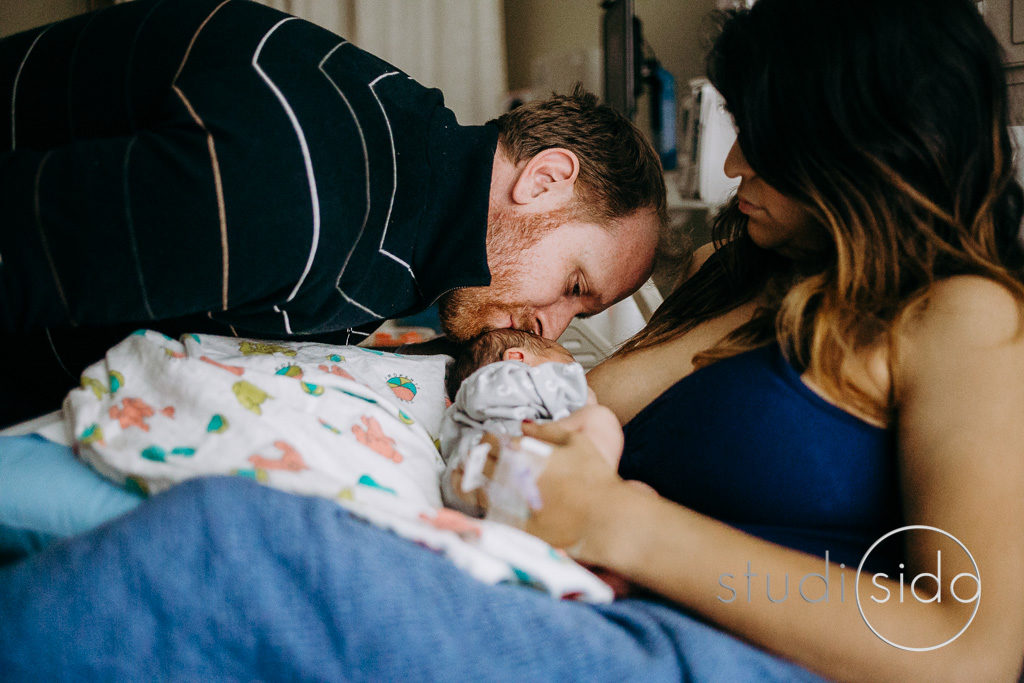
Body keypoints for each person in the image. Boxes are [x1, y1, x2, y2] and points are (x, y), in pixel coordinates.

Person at [2, 0, 1021, 680]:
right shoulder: (741, 270)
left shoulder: (964, 317)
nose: (739, 156)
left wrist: (619, 523)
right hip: (574, 572)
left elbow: (971, 645)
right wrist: (525, 367)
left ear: (857, 135)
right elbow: (574, 396)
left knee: (223, 545)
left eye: (766, 128)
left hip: (704, 641)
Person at [0, 0, 665, 427]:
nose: (552, 322)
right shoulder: (299, 197)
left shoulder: (406, 157)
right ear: (545, 179)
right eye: (576, 287)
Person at [438, 328, 621, 517]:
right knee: (600, 418)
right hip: (508, 470)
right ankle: (602, 487)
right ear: (516, 358)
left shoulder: (462, 413)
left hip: (475, 489)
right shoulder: (493, 381)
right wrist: (582, 395)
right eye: (565, 366)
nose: (575, 375)